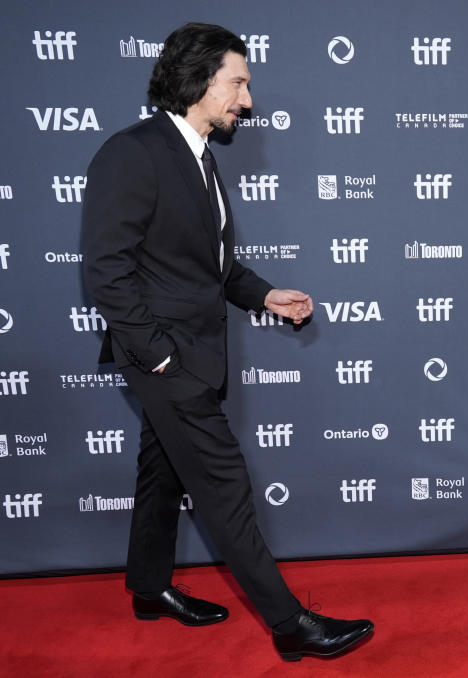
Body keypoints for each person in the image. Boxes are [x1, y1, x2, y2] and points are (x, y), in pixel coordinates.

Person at [81, 22, 373, 660]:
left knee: (160, 471)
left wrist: (264, 295)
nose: (248, 99)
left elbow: (209, 267)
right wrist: (157, 354)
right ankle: (291, 626)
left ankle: (148, 587)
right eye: (238, 83)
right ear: (196, 82)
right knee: (225, 487)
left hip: (191, 352)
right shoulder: (133, 152)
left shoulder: (199, 157)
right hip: (166, 360)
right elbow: (105, 271)